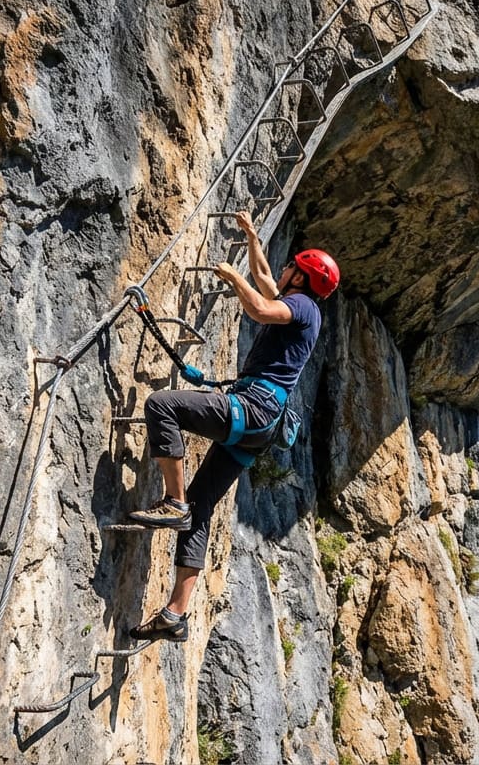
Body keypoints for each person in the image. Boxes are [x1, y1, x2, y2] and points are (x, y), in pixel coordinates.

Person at [124, 210, 339, 642]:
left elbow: (259, 305)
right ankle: (176, 613)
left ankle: (172, 501)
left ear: (301, 278)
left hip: (253, 406)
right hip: (263, 424)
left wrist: (231, 275)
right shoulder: (304, 307)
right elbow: (268, 283)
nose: (283, 268)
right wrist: (253, 238)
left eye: (292, 266)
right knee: (203, 508)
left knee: (163, 406)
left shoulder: (298, 306)